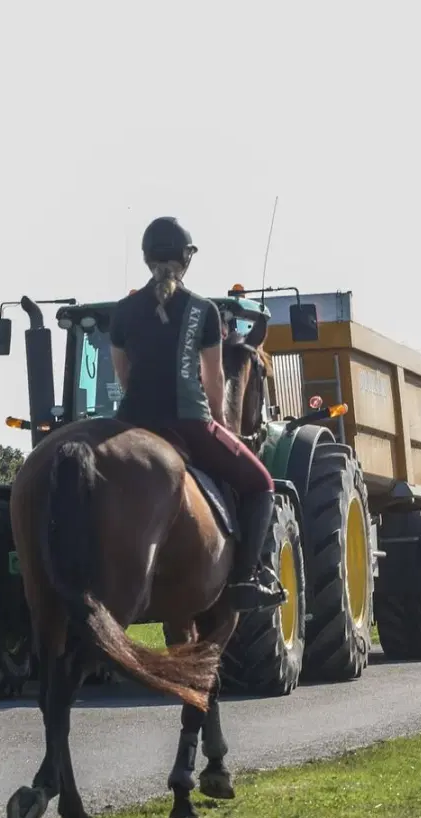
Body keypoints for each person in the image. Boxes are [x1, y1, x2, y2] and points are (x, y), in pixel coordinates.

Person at [108, 216, 286, 611]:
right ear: (186, 261)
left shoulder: (122, 312)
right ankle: (244, 579)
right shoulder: (202, 310)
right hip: (189, 423)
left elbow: (124, 374)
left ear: (146, 258)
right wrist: (220, 424)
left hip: (131, 423)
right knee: (261, 484)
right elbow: (214, 376)